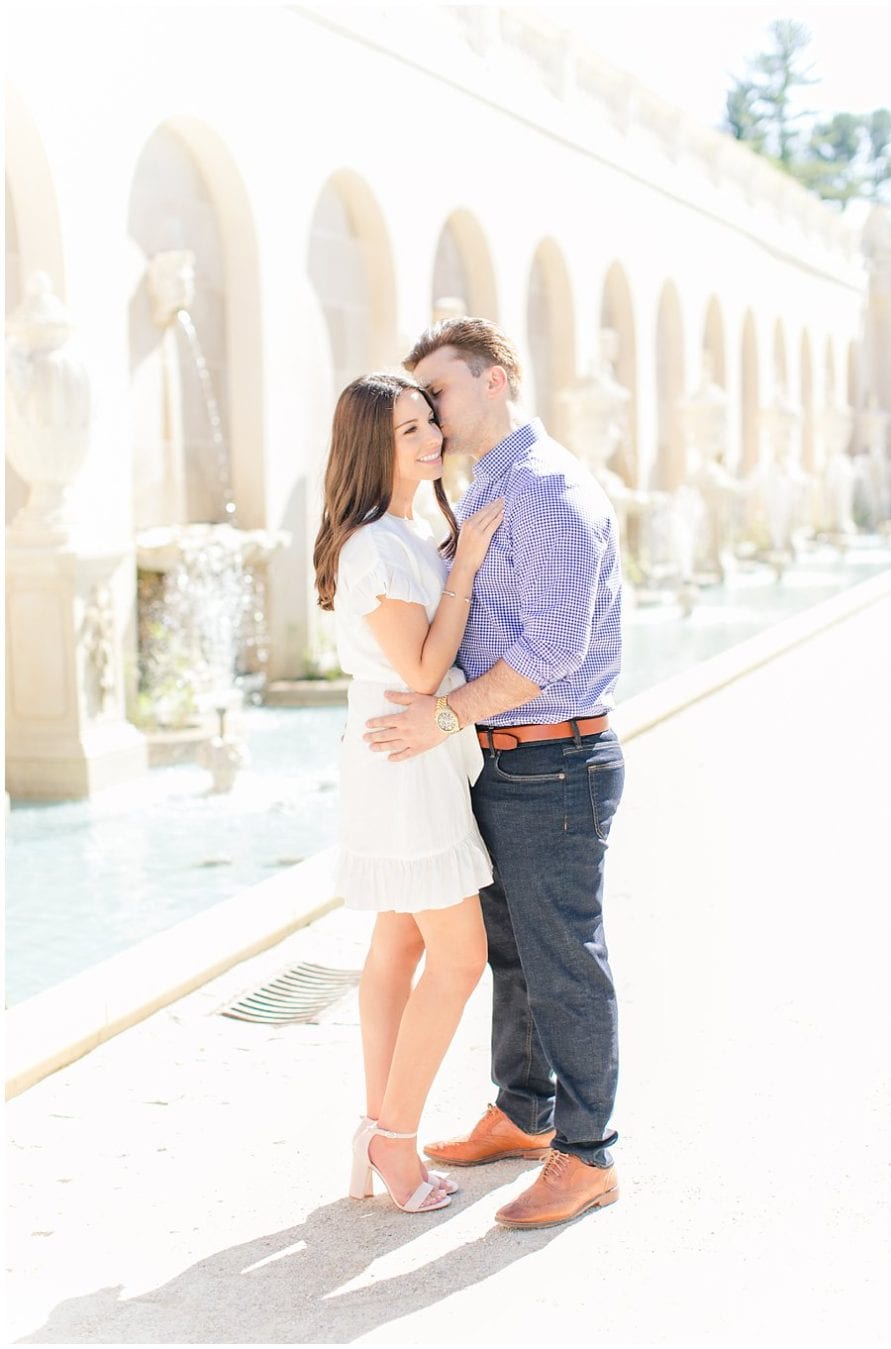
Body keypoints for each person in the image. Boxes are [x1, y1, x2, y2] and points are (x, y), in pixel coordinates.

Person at [364, 316, 627, 1230]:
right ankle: (523, 1111)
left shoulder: (545, 492)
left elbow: (553, 646)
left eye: (439, 391)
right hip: (509, 757)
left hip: (554, 757)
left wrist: (443, 714)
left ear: (497, 378)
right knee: (514, 950)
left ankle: (588, 1156)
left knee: (562, 960)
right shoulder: (488, 492)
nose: (430, 412)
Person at [312, 372, 505, 1213]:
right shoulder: (372, 547)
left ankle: (376, 1127)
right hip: (404, 760)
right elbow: (424, 672)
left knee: (400, 944)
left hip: (407, 756)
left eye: (430, 421)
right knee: (461, 955)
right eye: (408, 431)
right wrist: (464, 564)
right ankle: (395, 1137)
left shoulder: (400, 531)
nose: (430, 439)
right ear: (371, 446)